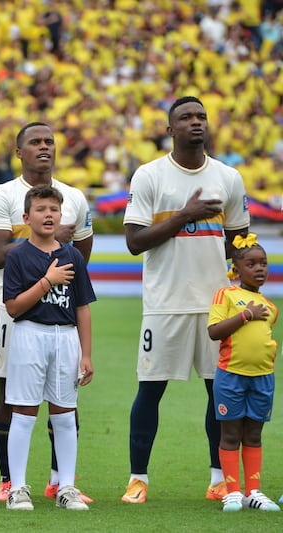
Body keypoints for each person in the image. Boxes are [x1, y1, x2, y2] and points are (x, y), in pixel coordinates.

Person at [121, 96, 250, 504]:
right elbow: (134, 242)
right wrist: (185, 215)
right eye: (185, 117)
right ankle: (138, 479)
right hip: (166, 303)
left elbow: (238, 243)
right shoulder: (149, 175)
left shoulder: (228, 178)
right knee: (150, 390)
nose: (195, 122)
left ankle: (219, 480)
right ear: (169, 128)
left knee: (220, 394)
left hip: (217, 306)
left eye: (201, 116)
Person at [0, 121, 93, 502]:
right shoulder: (3, 194)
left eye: (49, 141)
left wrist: (59, 252)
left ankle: (59, 482)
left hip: (60, 319)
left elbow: (81, 258)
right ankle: (8, 481)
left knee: (64, 402)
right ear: (19, 151)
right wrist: (45, 248)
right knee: (9, 397)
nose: (44, 147)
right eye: (35, 142)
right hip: (14, 313)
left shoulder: (75, 198)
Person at [2, 185, 95, 512]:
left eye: (54, 209)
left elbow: (82, 306)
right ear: (27, 217)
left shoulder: (72, 255)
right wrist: (47, 280)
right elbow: (13, 307)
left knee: (65, 415)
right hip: (30, 335)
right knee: (24, 413)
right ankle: (18, 488)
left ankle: (66, 487)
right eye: (41, 209)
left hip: (65, 338)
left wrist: (86, 354)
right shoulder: (17, 256)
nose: (48, 215)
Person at [207, 234, 279, 512]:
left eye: (263, 263)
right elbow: (214, 332)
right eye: (251, 264)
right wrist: (245, 315)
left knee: (254, 435)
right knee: (230, 434)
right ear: (236, 270)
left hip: (263, 378)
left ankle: (253, 492)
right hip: (231, 376)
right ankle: (232, 491)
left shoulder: (271, 308)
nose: (259, 268)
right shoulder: (226, 295)